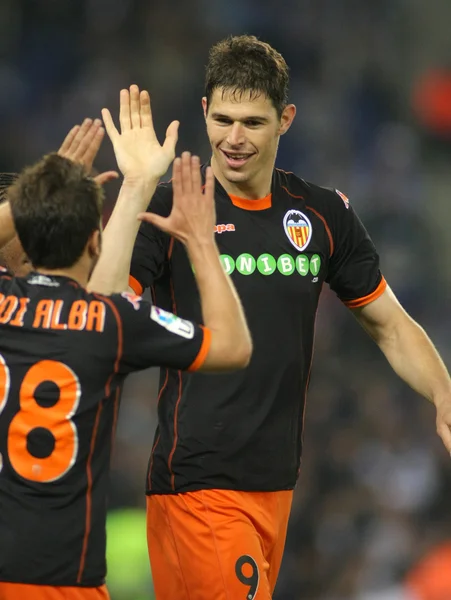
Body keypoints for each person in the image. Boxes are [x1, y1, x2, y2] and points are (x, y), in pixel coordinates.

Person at [123, 36, 451, 599]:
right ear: (203, 112)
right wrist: (133, 188)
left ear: (286, 120)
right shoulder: (171, 209)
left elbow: (390, 325)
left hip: (276, 486)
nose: (233, 138)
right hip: (199, 485)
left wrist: (445, 395)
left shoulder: (322, 216)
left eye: (253, 122)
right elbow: (101, 310)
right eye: (222, 119)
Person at [0, 86, 251, 600]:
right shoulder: (113, 320)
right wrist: (201, 242)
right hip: (61, 580)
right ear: (95, 239)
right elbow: (233, 347)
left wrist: (42, 195)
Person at [0, 117, 118, 277]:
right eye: (23, 222)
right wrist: (39, 193)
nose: (39, 235)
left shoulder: (85, 299)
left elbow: (106, 290)